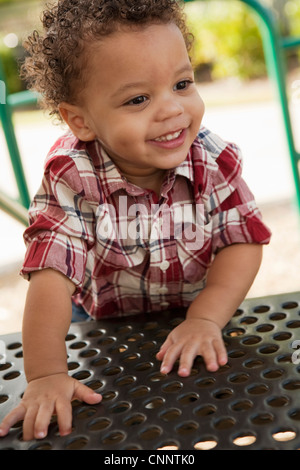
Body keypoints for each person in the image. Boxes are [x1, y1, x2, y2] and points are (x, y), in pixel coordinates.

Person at [0, 0, 271, 441]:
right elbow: (50, 271)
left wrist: (206, 317)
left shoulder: (212, 159)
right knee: (120, 424)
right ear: (80, 120)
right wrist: (46, 374)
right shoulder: (74, 175)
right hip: (104, 322)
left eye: (182, 83)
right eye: (139, 98)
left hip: (200, 308)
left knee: (210, 414)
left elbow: (242, 241)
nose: (172, 110)